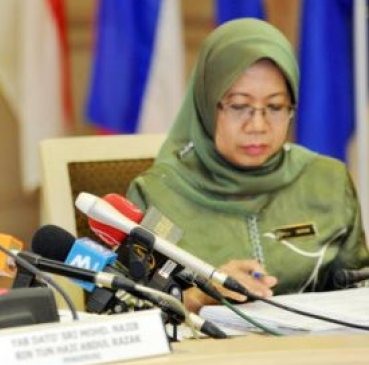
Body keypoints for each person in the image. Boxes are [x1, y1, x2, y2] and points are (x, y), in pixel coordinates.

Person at [127, 18, 369, 313]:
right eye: (240, 106)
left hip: (319, 342)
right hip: (205, 343)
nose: (258, 126)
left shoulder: (326, 180)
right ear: (206, 103)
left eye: (275, 107)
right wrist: (200, 295)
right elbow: (131, 306)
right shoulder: (159, 193)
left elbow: (359, 290)